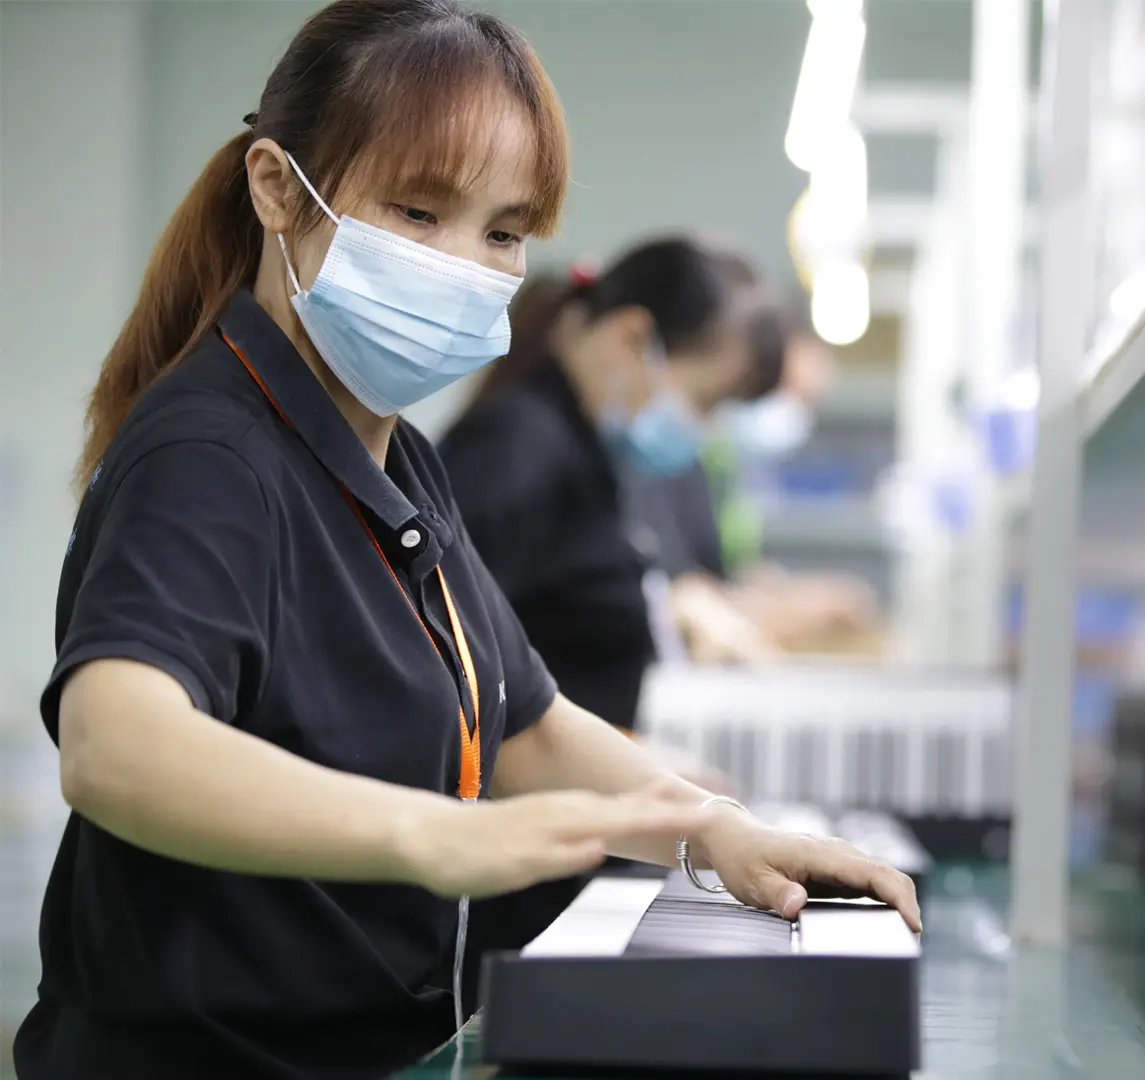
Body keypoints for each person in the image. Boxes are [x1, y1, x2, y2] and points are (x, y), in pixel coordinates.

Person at [14, 3, 919, 1078]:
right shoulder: (211, 454)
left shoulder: (398, 462)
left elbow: (524, 723)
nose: (462, 264)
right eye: (417, 210)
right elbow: (115, 746)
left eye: (501, 232)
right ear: (276, 189)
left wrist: (710, 831)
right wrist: (437, 834)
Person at [439, 239, 779, 731]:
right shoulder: (519, 450)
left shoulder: (586, 452)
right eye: (706, 401)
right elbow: (452, 666)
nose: (705, 428)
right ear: (629, 338)